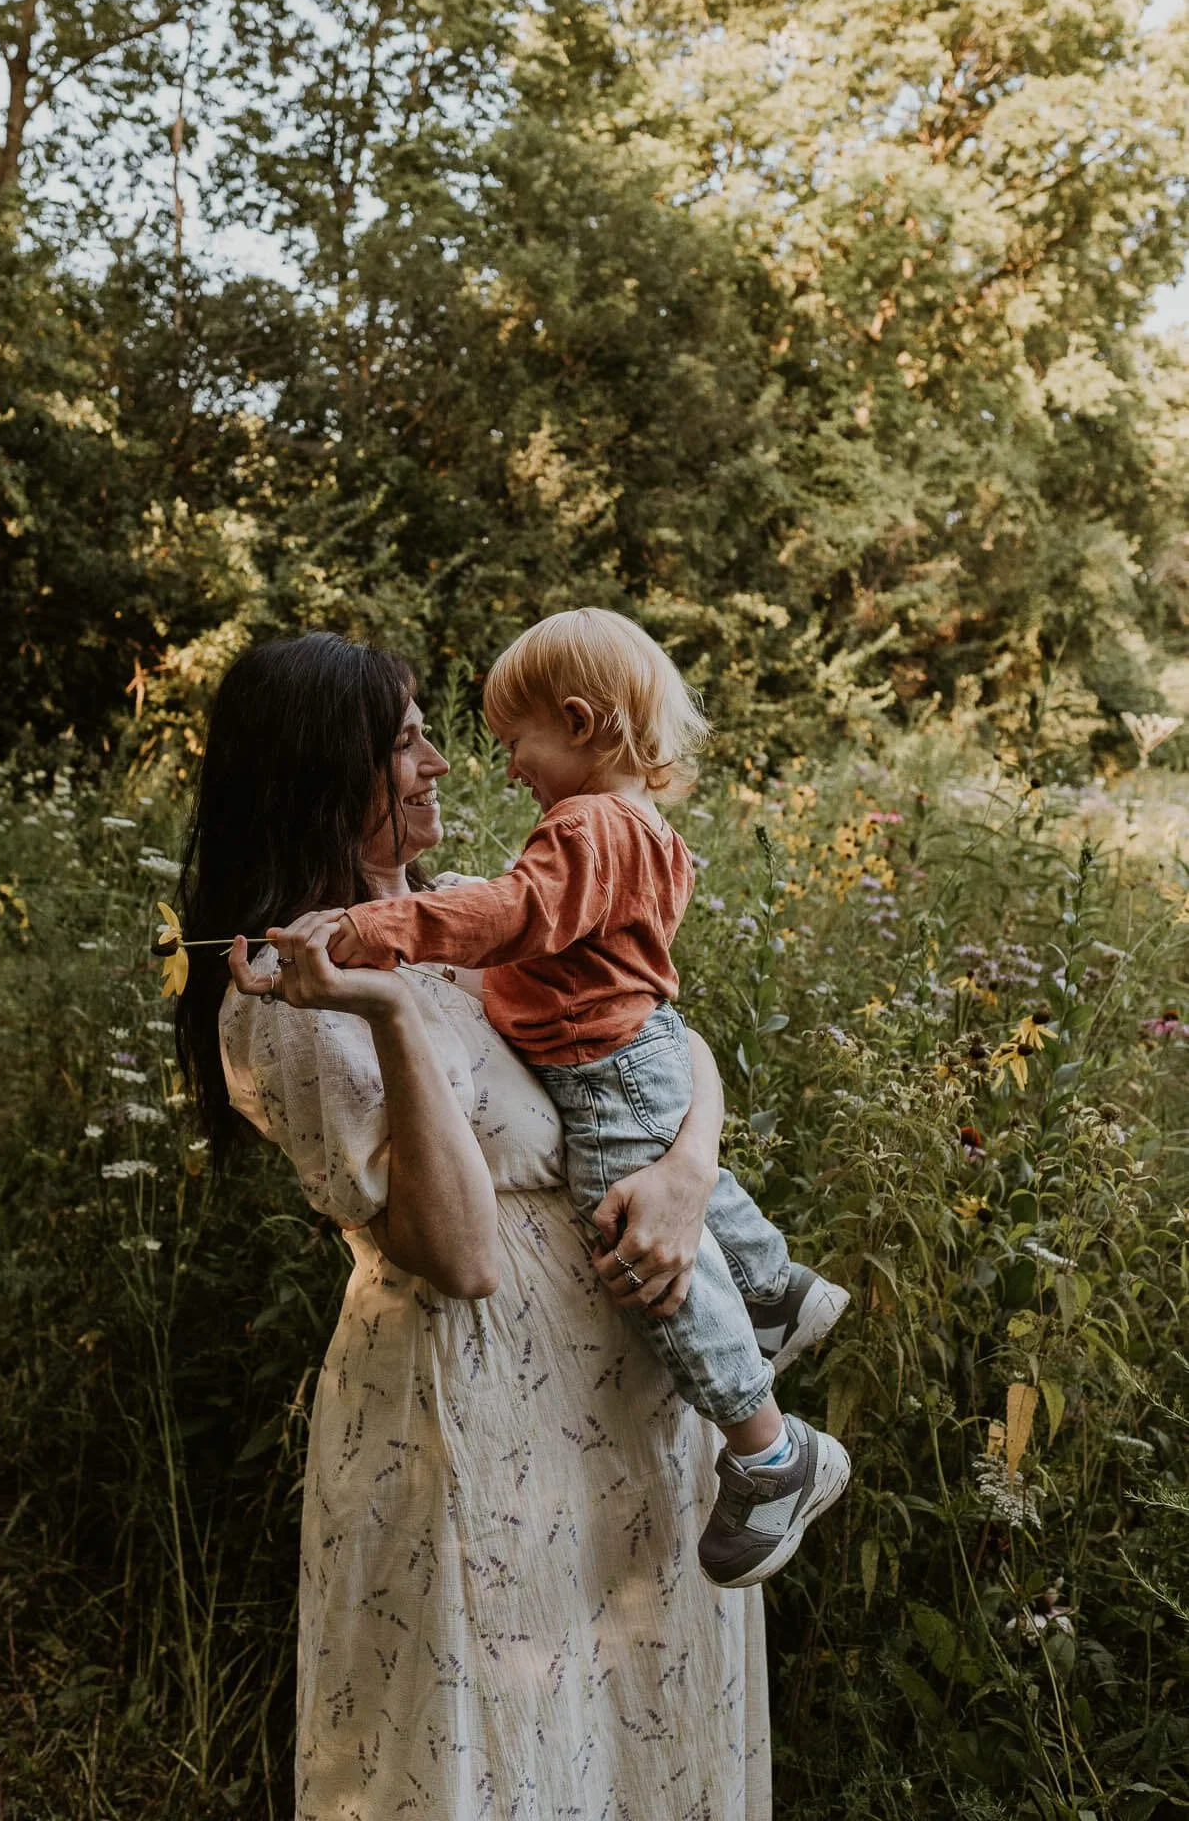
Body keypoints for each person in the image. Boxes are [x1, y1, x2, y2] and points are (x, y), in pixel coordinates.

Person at [176, 632, 774, 1820]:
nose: (441, 761)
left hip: (628, 1406)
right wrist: (391, 1011)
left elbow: (666, 1038)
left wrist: (687, 1174)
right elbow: (454, 1252)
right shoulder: (302, 1002)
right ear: (320, 770)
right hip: (473, 1422)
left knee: (636, 1733)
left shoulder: (454, 913)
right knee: (502, 1754)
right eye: (404, 742)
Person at [325, 609, 850, 1587]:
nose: (502, 766)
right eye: (414, 741)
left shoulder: (586, 827)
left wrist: (389, 924)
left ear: (577, 719)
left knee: (628, 1225)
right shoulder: (632, 824)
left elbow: (515, 913)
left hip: (606, 1059)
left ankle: (772, 1451)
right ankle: (772, 1284)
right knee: (651, 1160)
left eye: (514, 741)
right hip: (626, 1052)